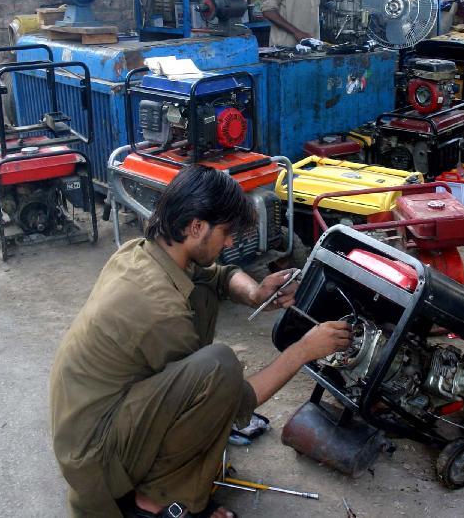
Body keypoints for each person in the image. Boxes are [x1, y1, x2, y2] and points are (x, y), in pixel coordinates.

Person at [49, 165, 352, 518]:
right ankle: (158, 501)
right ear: (195, 227)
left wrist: (255, 292)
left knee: (203, 295)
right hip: (96, 460)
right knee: (219, 369)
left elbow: (218, 276)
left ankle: (173, 475)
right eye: (225, 232)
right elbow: (237, 399)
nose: (230, 242)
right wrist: (304, 349)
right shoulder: (160, 309)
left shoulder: (141, 251)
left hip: (92, 426)